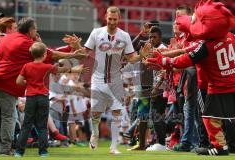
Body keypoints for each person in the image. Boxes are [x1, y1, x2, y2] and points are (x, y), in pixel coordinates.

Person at [143, 0, 235, 156]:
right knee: (229, 117)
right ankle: (225, 144)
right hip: (231, 83)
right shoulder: (231, 36)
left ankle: (218, 146)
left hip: (215, 86)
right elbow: (186, 50)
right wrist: (163, 56)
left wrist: (163, 61)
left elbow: (183, 60)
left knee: (208, 116)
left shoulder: (207, 46)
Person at [0, 17, 87, 156]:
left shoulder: (7, 38)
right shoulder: (26, 44)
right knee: (10, 117)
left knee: (4, 117)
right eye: (36, 30)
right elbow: (52, 55)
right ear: (31, 30)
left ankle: (4, 146)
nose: (36, 33)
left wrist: (71, 50)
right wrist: (73, 54)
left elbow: (48, 53)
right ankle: (5, 149)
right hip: (8, 84)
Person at [68, 6, 149, 154]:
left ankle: (113, 146)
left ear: (119, 19)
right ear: (106, 18)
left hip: (116, 79)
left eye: (115, 19)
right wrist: (77, 46)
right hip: (97, 79)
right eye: (110, 19)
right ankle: (94, 134)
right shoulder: (96, 33)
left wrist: (141, 55)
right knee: (95, 113)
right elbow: (84, 54)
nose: (112, 22)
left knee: (117, 112)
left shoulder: (124, 36)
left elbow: (131, 58)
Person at [14, 42, 86, 157]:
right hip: (43, 97)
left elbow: (18, 81)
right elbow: (63, 70)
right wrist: (75, 68)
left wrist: (28, 83)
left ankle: (19, 152)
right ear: (44, 55)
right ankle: (43, 152)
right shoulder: (47, 67)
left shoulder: (26, 66)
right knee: (43, 126)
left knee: (26, 125)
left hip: (31, 98)